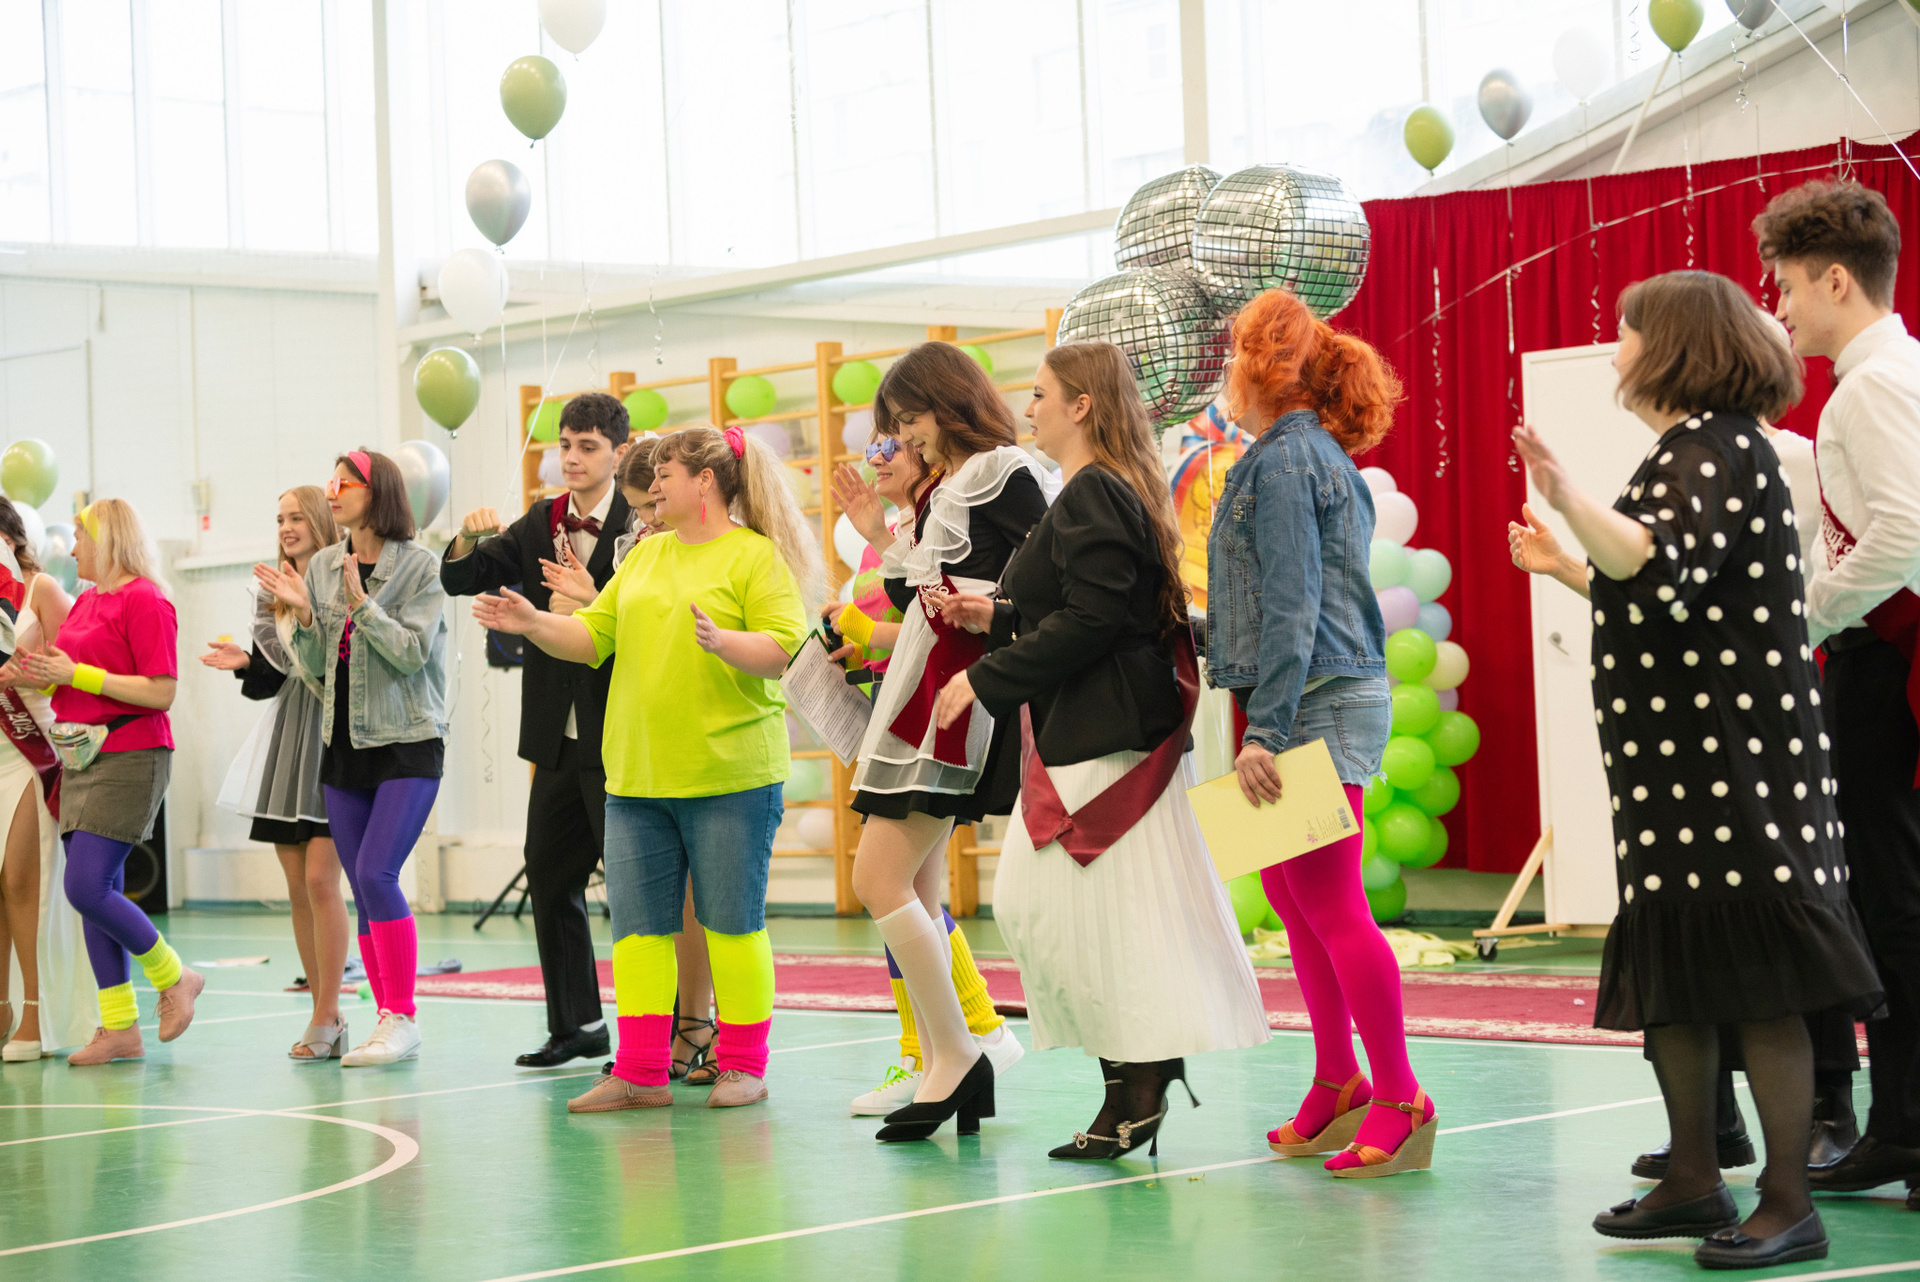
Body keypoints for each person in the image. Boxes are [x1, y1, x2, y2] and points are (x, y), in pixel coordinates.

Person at [1510, 270, 1882, 1269]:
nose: (1616, 346)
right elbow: (1655, 591)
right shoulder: (1694, 448)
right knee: (1679, 964)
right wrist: (1569, 557)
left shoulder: (1716, 446)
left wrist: (1566, 495)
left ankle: (1788, 1202)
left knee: (1758, 979)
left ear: (1674, 343)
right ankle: (1690, 1174)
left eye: (1627, 330)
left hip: (1731, 763)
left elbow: (1653, 560)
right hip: (1683, 767)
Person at [932, 340, 1269, 1158]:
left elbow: (1094, 621)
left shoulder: (1094, 493)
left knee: (1094, 916)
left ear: (1081, 405)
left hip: (1107, 738)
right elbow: (1087, 608)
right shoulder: (1094, 491)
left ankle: (1137, 1086)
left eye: (1041, 392)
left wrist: (984, 677)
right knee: (1071, 913)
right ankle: (1133, 1082)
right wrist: (997, 618)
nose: (1029, 406)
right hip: (1091, 731)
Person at [475, 425, 817, 1114]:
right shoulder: (645, 556)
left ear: (705, 482)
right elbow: (593, 635)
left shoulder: (754, 557)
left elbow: (786, 649)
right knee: (636, 930)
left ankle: (743, 1065)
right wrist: (534, 623)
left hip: (729, 776)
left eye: (666, 473)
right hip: (635, 778)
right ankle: (638, 1072)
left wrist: (725, 642)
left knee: (732, 925)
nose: (652, 484)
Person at [1204, 289, 1432, 1178]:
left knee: (1330, 904)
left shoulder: (1288, 462)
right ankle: (1338, 1077)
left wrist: (1263, 727)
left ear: (1265, 367)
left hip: (1315, 700)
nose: (1227, 370)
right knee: (1295, 899)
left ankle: (1399, 1093)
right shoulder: (1295, 455)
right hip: (1305, 693)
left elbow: (1296, 604)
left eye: (1235, 354)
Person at [833, 341, 1048, 1143]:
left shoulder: (999, 470)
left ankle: (960, 1053)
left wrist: (991, 609)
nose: (903, 437)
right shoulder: (948, 486)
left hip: (955, 696)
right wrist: (879, 526)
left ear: (951, 402)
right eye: (894, 424)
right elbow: (915, 593)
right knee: (916, 888)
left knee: (877, 877)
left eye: (910, 418)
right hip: (923, 690)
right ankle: (941, 1058)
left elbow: (1049, 573)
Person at [1754, 180, 1920, 1208]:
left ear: (1836, 282)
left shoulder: (1870, 387)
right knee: (1890, 898)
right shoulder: (1890, 374)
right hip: (1883, 653)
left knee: (1892, 903)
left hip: (1885, 655)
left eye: (1787, 287)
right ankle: (1900, 1120)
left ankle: (1906, 1126)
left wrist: (1808, 615)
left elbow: (1903, 529)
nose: (1782, 309)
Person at [442, 393, 644, 1070]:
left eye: (588, 446)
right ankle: (578, 1023)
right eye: (564, 445)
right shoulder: (542, 521)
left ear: (619, 451)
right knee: (551, 877)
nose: (572, 458)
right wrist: (467, 537)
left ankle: (659, 1036)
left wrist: (595, 597)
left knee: (635, 892)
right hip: (557, 738)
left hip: (622, 732)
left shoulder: (643, 524)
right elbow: (461, 576)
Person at [258, 450, 449, 1068]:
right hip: (343, 744)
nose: (332, 492)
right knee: (364, 891)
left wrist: (362, 606)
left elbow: (412, 653)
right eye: (331, 482)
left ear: (378, 491)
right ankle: (385, 1017)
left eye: (346, 482)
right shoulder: (322, 566)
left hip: (407, 740)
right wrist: (305, 615)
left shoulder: (419, 565)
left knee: (375, 874)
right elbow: (317, 668)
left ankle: (401, 1017)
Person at [20, 500, 198, 1066]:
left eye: (80, 536)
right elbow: (76, 681)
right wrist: (42, 676)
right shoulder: (88, 601)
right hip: (83, 756)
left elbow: (161, 690)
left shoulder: (146, 599)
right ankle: (120, 1027)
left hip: (130, 753)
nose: (72, 548)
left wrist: (75, 673)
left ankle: (175, 976)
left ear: (107, 538)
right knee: (99, 894)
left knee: (86, 887)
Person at [204, 485, 350, 1061]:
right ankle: (322, 1010)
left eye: (296, 518)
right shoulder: (272, 588)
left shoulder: (343, 575)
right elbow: (274, 676)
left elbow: (341, 658)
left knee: (320, 879)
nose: (286, 527)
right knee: (295, 884)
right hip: (291, 736)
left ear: (319, 521)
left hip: (336, 732)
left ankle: (328, 1011)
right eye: (280, 519)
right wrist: (246, 662)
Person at [0, 503, 84, 1061]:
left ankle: (36, 1012)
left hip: (29, 751)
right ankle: (3, 1008)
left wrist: (32, 672)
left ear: (10, 537)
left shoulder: (42, 590)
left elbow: (82, 669)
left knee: (21, 879)